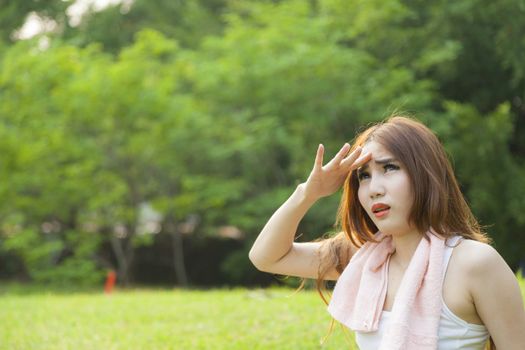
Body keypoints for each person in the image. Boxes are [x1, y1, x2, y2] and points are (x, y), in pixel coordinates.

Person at [249, 115, 525, 349]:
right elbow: (266, 257)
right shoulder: (365, 258)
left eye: (389, 168)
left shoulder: (475, 264)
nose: (374, 188)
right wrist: (307, 194)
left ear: (424, 174)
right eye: (364, 175)